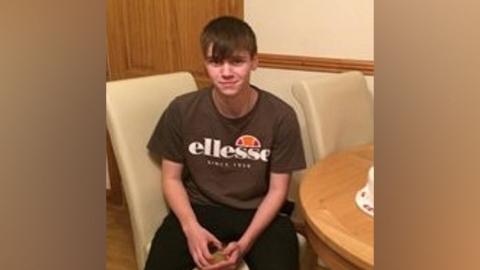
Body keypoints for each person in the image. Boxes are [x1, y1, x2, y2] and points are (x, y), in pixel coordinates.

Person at [145, 16, 306, 270]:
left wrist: (245, 242)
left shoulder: (281, 116)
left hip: (258, 212)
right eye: (215, 62)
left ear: (255, 61)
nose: (226, 72)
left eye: (237, 61)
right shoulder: (181, 110)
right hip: (199, 208)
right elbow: (171, 178)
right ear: (205, 63)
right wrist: (190, 228)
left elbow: (277, 190)